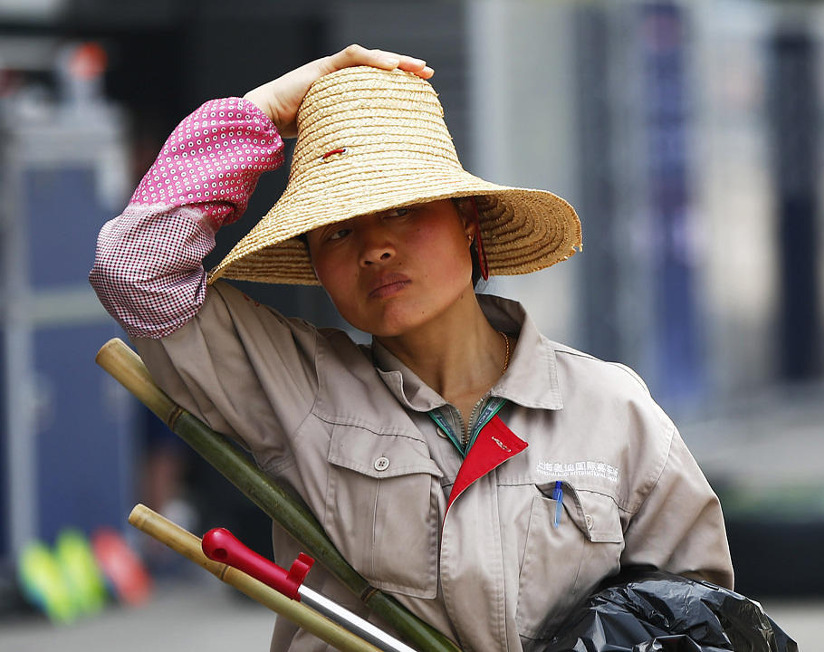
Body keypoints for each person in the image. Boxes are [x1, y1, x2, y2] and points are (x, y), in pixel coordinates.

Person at [90, 45, 733, 652]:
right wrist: (263, 111)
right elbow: (133, 269)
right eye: (338, 231)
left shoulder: (609, 409)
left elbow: (700, 616)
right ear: (315, 264)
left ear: (468, 221)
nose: (374, 249)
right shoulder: (298, 393)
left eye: (401, 211)